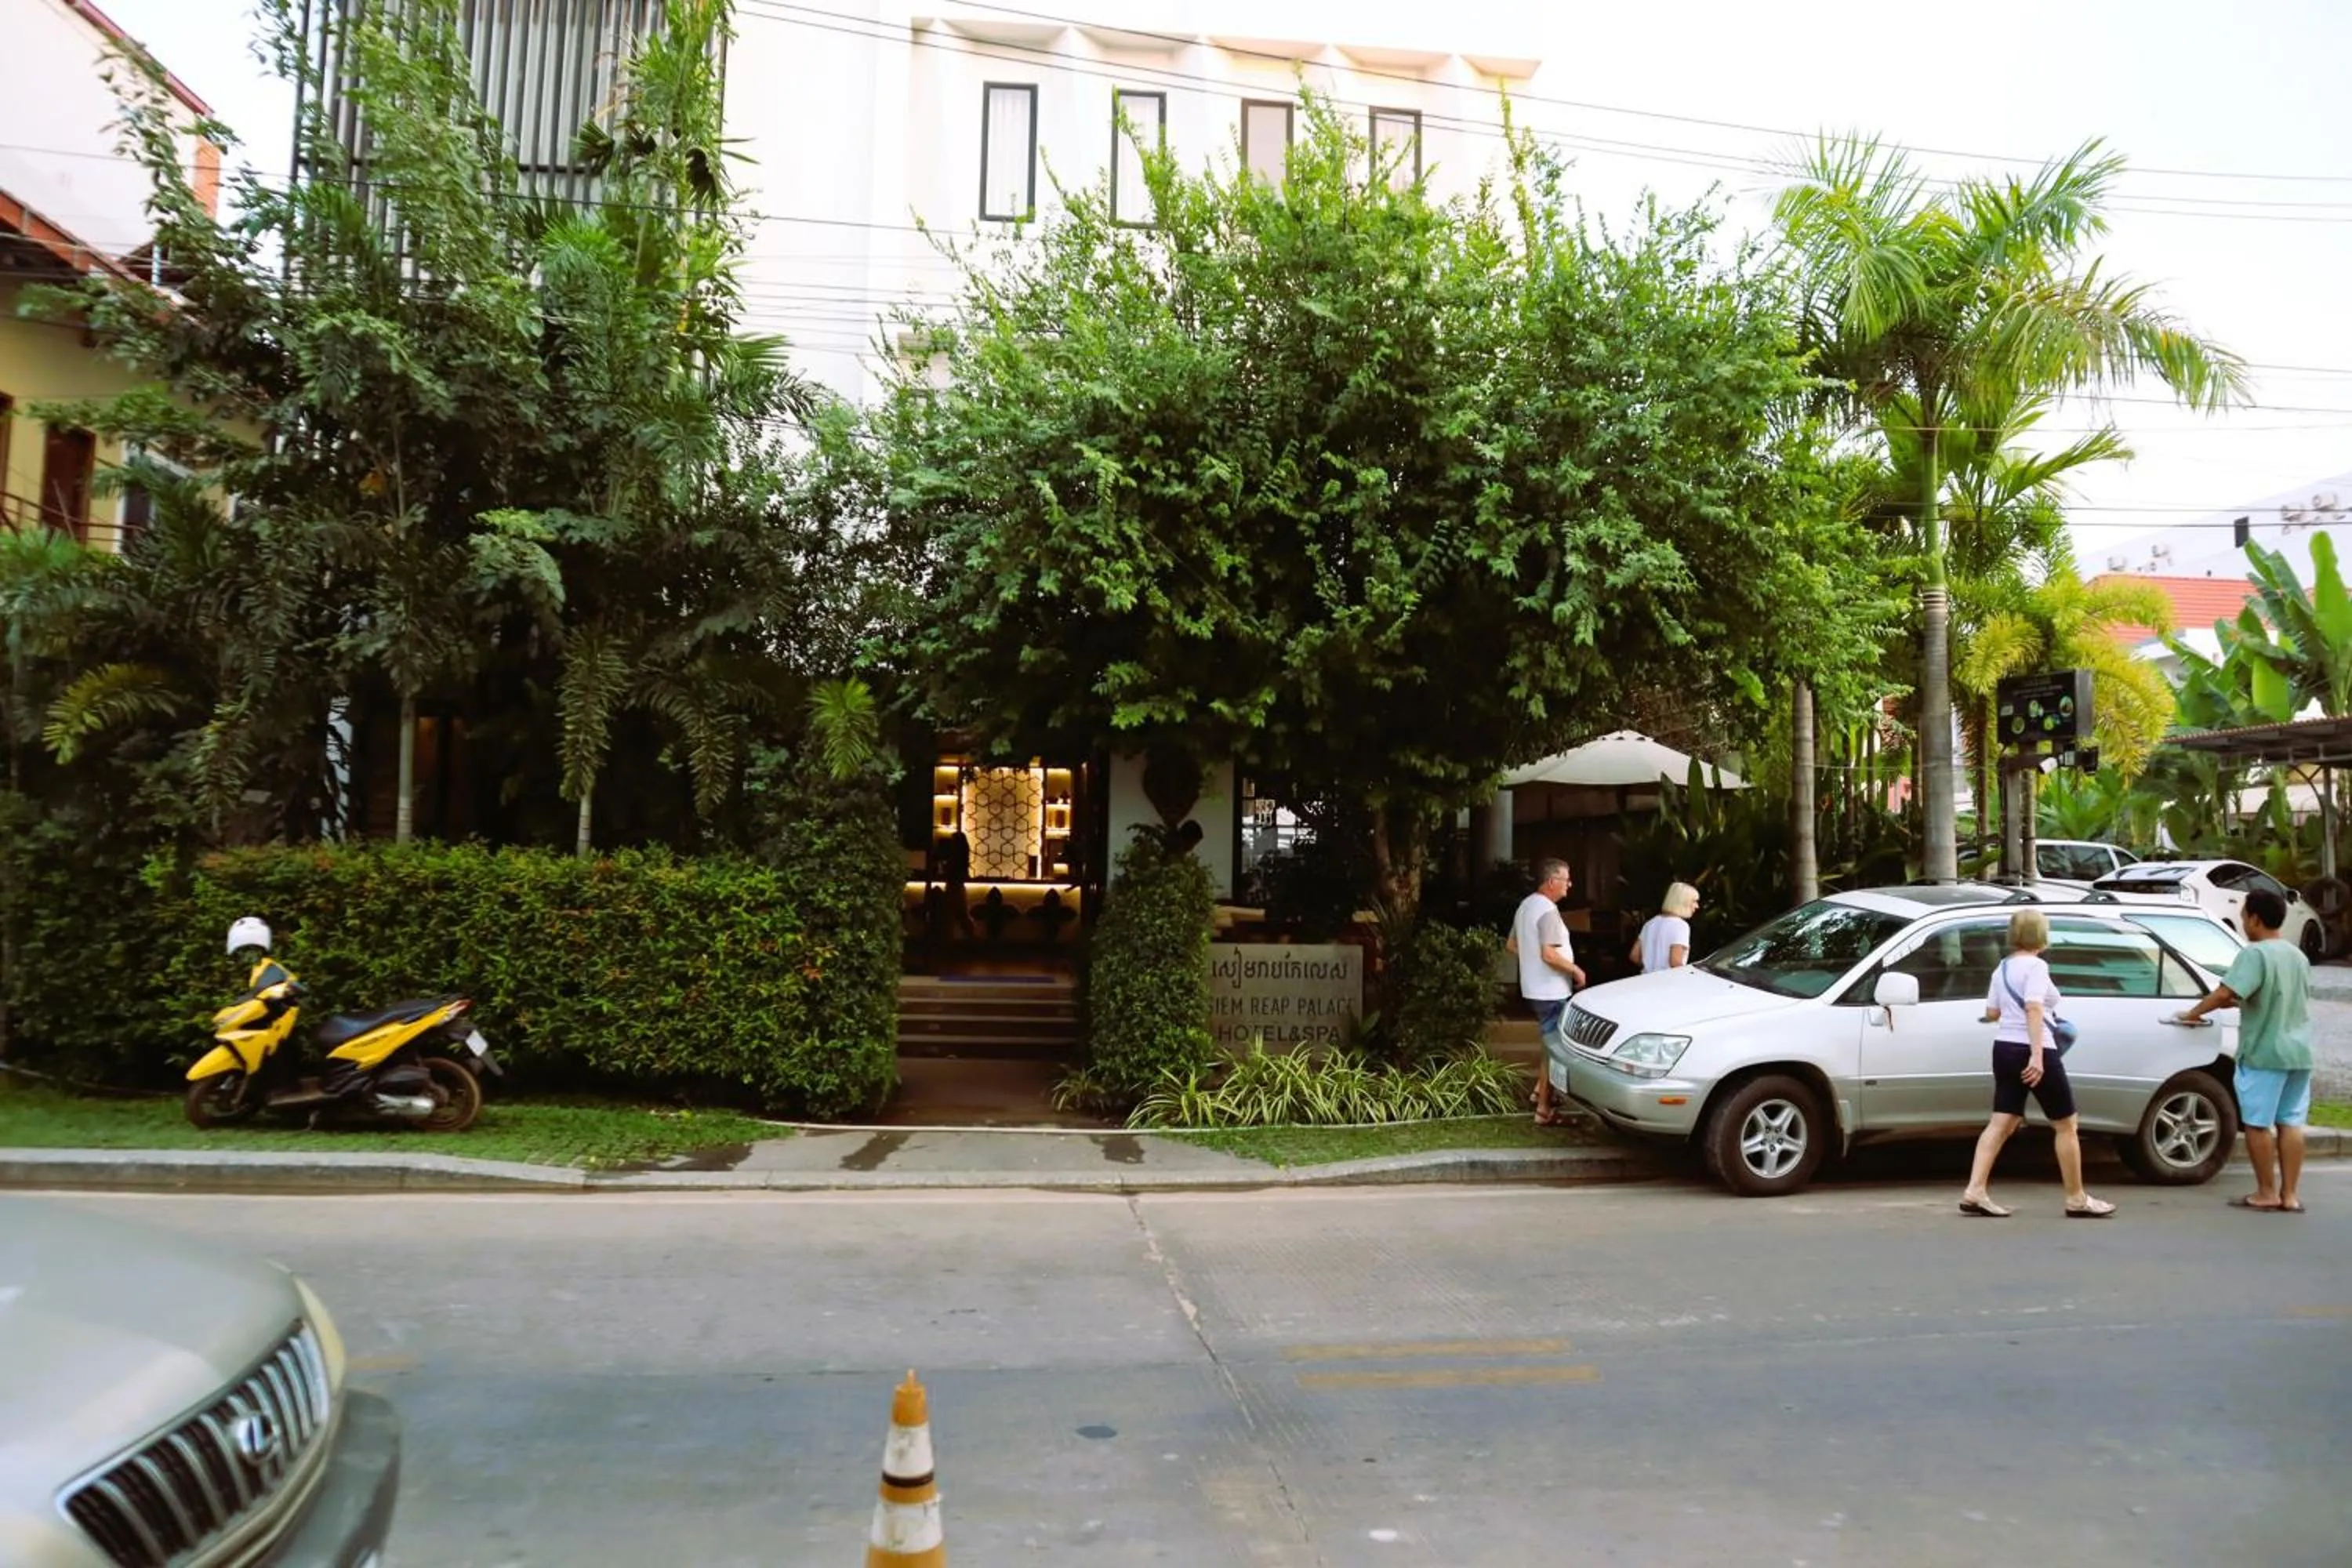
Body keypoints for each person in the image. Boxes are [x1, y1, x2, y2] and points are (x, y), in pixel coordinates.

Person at [1958, 907, 2116, 1219]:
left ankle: (1975, 1190)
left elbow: (1992, 1013)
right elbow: (2033, 1007)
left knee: (2001, 1122)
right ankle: (2076, 1197)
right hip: (2033, 1048)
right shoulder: (2037, 967)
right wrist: (2037, 1056)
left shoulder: (2002, 968)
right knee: (2066, 1124)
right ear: (2041, 935)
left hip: (2003, 1047)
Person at [2174, 887, 2313, 1214]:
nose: (2242, 923)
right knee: (2291, 1123)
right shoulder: (2297, 956)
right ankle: (2290, 1195)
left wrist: (2193, 1013)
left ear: (2255, 918)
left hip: (2265, 1050)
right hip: (2300, 1050)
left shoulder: (2255, 954)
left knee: (2257, 1123)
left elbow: (2224, 994)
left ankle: (2266, 1192)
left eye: (2243, 917)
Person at [1506, 858, 1584, 1125]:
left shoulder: (1525, 906)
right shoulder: (1548, 910)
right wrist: (1575, 970)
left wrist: (1532, 964)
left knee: (1549, 1044)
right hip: (1552, 990)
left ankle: (1540, 1091)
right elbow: (1549, 953)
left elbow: (1512, 945)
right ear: (1552, 882)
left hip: (1534, 988)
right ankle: (1543, 1109)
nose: (1569, 885)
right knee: (1555, 1049)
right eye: (1566, 879)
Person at [1632, 882, 1700, 975]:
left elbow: (1634, 956)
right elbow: (1675, 962)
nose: (1697, 906)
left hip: (1646, 979)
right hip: (1667, 983)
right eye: (1694, 901)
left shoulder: (1650, 923)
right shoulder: (1681, 926)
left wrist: (1650, 968)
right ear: (1683, 902)